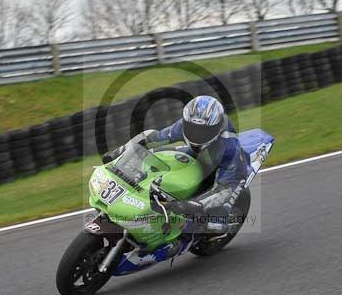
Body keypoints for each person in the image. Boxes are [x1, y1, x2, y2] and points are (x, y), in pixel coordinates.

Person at [103, 95, 250, 231]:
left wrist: (187, 206)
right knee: (159, 154)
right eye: (193, 129)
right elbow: (153, 137)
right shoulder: (184, 126)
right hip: (200, 155)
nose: (197, 134)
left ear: (216, 128)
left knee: (214, 222)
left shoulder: (230, 148)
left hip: (230, 174)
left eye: (203, 131)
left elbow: (223, 190)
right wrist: (121, 151)